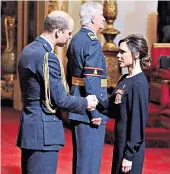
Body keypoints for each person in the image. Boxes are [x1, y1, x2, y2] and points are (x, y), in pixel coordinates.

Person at [16, 10, 99, 174]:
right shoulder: (48, 57)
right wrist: (86, 103)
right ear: (58, 31)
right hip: (44, 132)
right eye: (68, 33)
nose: (70, 37)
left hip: (31, 127)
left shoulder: (28, 50)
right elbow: (60, 100)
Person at [66, 2, 109, 174]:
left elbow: (71, 76)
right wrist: (96, 112)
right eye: (101, 15)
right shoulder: (93, 43)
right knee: (89, 163)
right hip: (89, 110)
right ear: (92, 18)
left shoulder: (76, 39)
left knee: (82, 161)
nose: (104, 18)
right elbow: (92, 80)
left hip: (78, 104)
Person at [99, 34, 151, 174]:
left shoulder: (139, 83)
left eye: (123, 52)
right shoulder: (125, 79)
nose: (118, 56)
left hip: (130, 151)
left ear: (136, 54)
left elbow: (138, 123)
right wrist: (93, 102)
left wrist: (129, 156)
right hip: (120, 146)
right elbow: (112, 109)